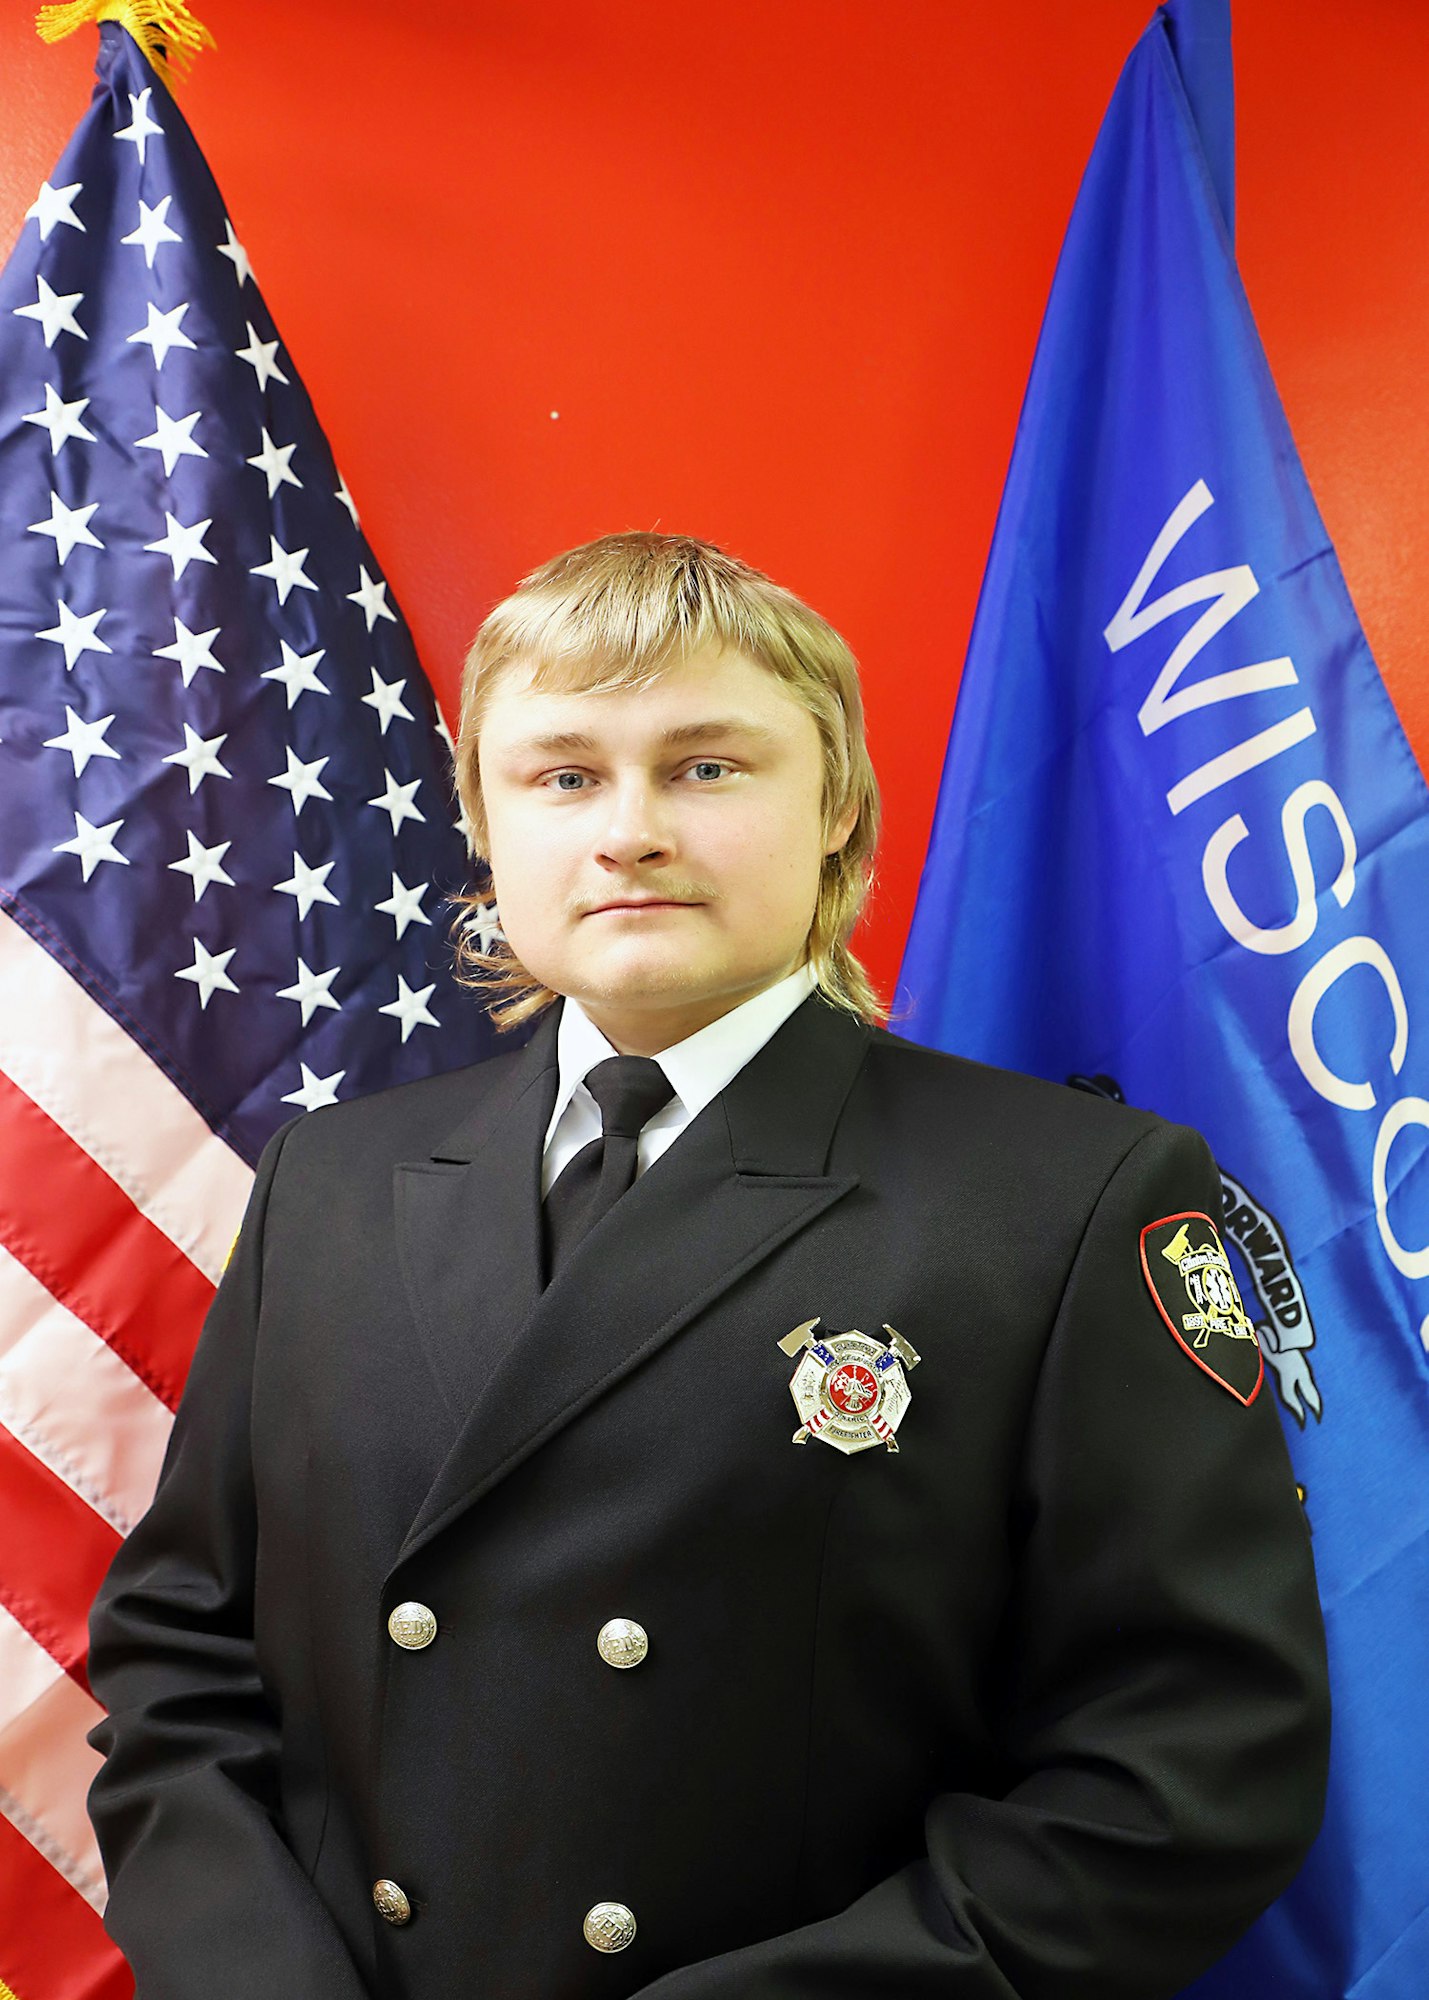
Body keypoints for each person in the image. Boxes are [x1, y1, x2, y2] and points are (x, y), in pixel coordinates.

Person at [85, 532, 1330, 2000]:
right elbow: (180, 1657)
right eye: (562, 775)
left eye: (706, 767)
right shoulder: (332, 1187)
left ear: (835, 809)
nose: (628, 832)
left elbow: (1189, 1762)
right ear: (482, 822)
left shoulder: (1068, 1200)